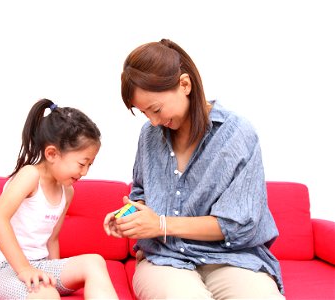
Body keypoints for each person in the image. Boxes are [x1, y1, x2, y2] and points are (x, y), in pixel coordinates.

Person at [103, 39, 285, 299]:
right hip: (164, 258)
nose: (153, 121)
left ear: (185, 84)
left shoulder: (237, 135)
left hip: (232, 259)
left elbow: (237, 225)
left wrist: (162, 225)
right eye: (145, 113)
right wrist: (131, 217)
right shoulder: (149, 135)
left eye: (155, 109)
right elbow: (141, 192)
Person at [0, 98, 118, 299]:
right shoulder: (30, 176)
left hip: (39, 265)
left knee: (94, 261)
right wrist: (25, 269)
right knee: (46, 294)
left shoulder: (67, 191)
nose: (85, 172)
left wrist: (56, 272)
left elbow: (52, 239)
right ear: (52, 154)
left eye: (90, 165)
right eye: (81, 163)